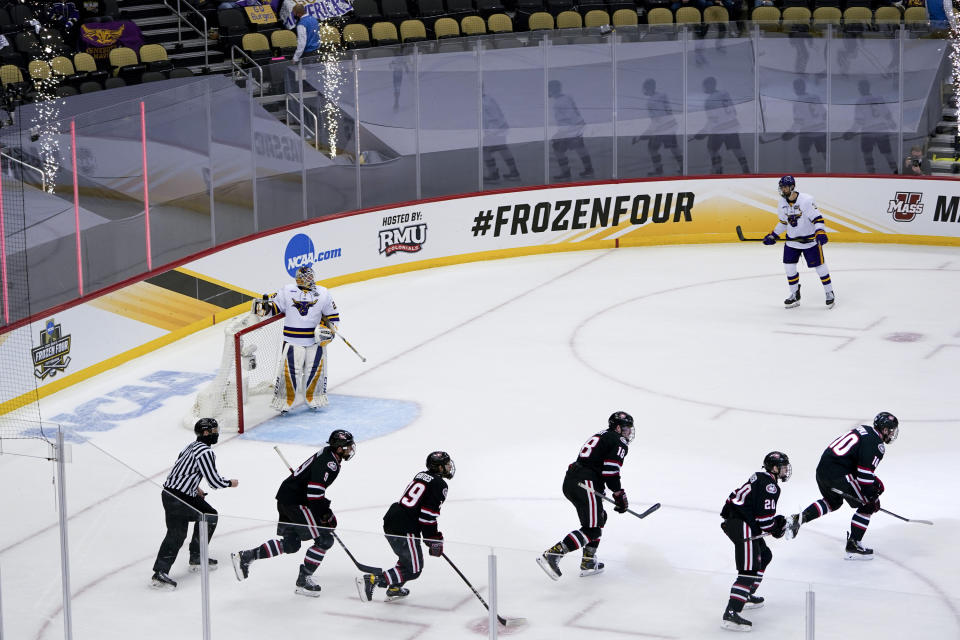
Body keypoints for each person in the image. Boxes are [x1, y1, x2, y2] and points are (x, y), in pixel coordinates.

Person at [230, 430, 357, 596]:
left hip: (287, 498)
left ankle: (246, 557)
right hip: (297, 503)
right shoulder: (329, 463)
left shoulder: (329, 454)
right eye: (347, 447)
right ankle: (304, 581)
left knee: (291, 544)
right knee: (324, 539)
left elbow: (312, 486)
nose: (350, 450)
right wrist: (325, 514)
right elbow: (314, 494)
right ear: (339, 448)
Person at [784, 413, 899, 560]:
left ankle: (799, 518)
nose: (892, 433)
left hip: (823, 470)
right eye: (890, 430)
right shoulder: (876, 444)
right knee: (869, 505)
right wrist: (871, 497)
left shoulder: (864, 429)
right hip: (840, 474)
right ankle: (854, 543)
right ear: (884, 429)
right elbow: (864, 475)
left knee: (833, 502)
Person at [537, 411, 634, 580]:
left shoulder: (603, 434)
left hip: (574, 480)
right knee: (593, 530)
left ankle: (588, 562)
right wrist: (619, 494)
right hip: (585, 483)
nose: (628, 432)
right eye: (626, 428)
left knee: (600, 518)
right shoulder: (618, 441)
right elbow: (610, 471)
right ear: (618, 427)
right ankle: (553, 554)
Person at [151, 418, 238, 590]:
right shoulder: (205, 452)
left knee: (207, 515)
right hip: (178, 497)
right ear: (206, 433)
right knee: (179, 533)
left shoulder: (191, 446)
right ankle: (162, 572)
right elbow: (214, 481)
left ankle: (196, 557)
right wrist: (230, 483)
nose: (216, 434)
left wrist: (195, 486)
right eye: (214, 431)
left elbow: (181, 468)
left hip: (176, 493)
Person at [357, 451, 454, 602]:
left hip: (394, 518)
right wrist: (433, 539)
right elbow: (427, 517)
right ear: (439, 468)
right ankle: (372, 580)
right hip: (405, 526)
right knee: (414, 570)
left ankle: (394, 587)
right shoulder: (440, 485)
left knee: (406, 559)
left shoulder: (421, 475)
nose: (449, 467)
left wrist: (430, 539)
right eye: (446, 464)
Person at [719, 451, 791, 632]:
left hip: (739, 521)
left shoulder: (762, 478)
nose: (785, 470)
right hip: (742, 525)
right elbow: (765, 521)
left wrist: (775, 526)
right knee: (748, 570)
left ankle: (746, 594)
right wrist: (777, 527)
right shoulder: (770, 486)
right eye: (782, 467)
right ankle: (731, 613)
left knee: (764, 555)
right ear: (774, 468)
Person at [258, 264, 339, 413]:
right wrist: (265, 307)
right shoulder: (287, 290)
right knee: (289, 373)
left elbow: (333, 317)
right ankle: (283, 401)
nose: (304, 279)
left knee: (315, 370)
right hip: (292, 340)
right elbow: (274, 307)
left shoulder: (323, 293)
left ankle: (315, 398)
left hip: (315, 342)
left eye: (307, 276)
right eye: (301, 277)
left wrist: (329, 330)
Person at [762, 175, 835, 309]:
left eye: (785, 187)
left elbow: (818, 219)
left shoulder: (806, 200)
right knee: (789, 267)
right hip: (792, 242)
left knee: (820, 267)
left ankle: (829, 292)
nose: (782, 190)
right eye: (781, 187)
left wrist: (820, 232)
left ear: (792, 187)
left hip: (810, 242)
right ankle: (795, 294)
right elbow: (784, 223)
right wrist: (773, 235)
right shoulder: (781, 203)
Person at [700, 76, 750, 175]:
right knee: (736, 148)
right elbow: (734, 112)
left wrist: (703, 131)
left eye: (705, 86)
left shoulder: (709, 101)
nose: (704, 88)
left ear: (711, 85)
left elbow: (712, 120)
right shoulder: (725, 94)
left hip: (720, 128)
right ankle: (745, 168)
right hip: (732, 125)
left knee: (712, 149)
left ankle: (717, 169)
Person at [633, 78, 682, 176]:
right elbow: (668, 111)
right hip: (670, 125)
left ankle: (658, 169)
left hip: (661, 128)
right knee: (674, 148)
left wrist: (645, 134)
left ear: (649, 87)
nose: (644, 90)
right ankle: (682, 167)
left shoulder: (651, 102)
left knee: (652, 148)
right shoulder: (663, 95)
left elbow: (656, 119)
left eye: (645, 87)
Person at [549, 79, 594, 181]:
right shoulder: (567, 97)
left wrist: (563, 133)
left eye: (549, 89)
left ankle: (566, 173)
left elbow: (571, 116)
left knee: (558, 150)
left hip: (570, 129)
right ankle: (589, 170)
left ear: (552, 89)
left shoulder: (560, 102)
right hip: (577, 126)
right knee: (580, 149)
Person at [851, 79, 898, 174]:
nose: (860, 89)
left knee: (867, 153)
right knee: (887, 153)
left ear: (860, 89)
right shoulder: (879, 98)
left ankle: (871, 173)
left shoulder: (860, 101)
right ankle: (895, 171)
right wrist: (892, 123)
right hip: (882, 130)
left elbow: (859, 121)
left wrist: (851, 131)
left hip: (868, 132)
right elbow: (887, 114)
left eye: (860, 88)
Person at [782, 78, 826, 174]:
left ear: (795, 88)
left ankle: (808, 170)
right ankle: (830, 170)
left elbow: (798, 122)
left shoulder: (798, 102)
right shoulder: (815, 97)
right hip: (821, 131)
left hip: (807, 132)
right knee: (825, 152)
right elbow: (824, 114)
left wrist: (790, 132)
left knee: (803, 150)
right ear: (804, 87)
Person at [482, 88, 520, 182]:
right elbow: (498, 112)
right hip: (501, 126)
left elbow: (489, 117)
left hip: (495, 129)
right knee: (503, 148)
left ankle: (493, 174)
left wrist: (490, 131)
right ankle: (514, 172)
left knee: (485, 150)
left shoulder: (483, 101)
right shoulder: (489, 98)